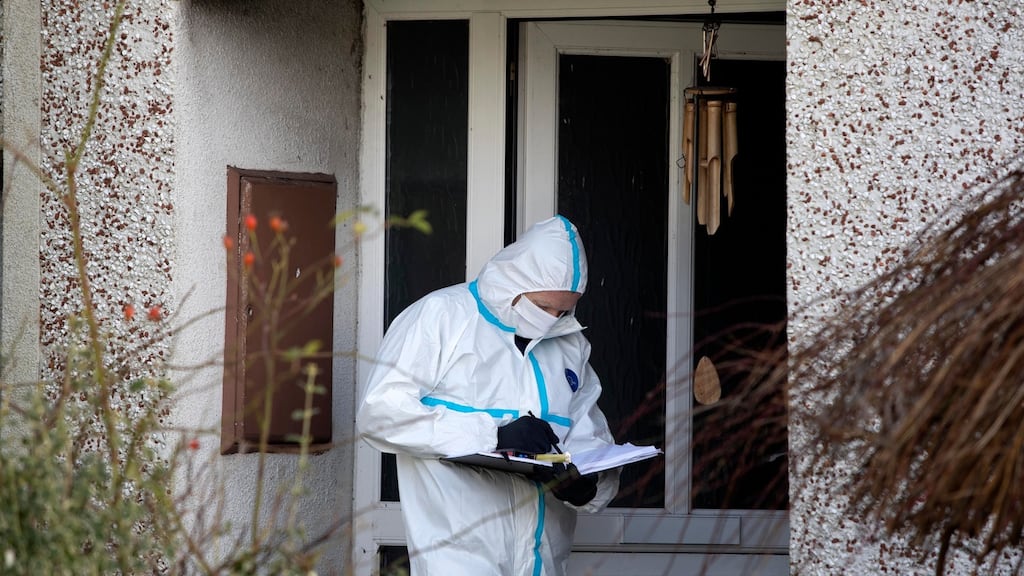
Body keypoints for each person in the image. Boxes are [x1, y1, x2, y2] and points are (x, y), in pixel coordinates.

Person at [357, 215, 620, 575]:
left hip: (544, 564)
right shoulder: (442, 318)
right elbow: (380, 414)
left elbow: (593, 443)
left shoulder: (570, 346)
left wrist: (586, 488)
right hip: (457, 562)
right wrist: (493, 435)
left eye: (564, 310)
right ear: (514, 281)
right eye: (543, 307)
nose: (551, 319)